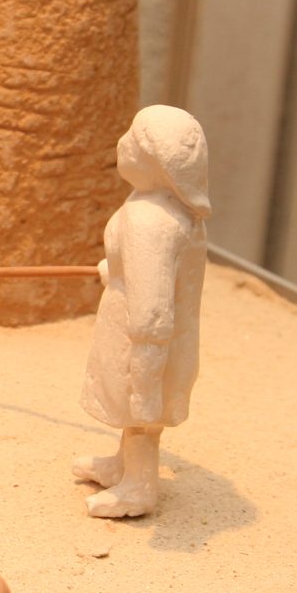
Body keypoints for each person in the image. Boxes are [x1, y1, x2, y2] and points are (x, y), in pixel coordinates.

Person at [74, 105, 210, 518]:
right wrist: (114, 271)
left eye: (133, 140)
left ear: (157, 163)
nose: (123, 143)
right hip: (160, 334)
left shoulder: (148, 220)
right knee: (133, 418)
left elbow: (151, 312)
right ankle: (124, 465)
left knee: (140, 417)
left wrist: (145, 382)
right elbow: (159, 274)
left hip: (142, 340)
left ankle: (139, 486)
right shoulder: (173, 211)